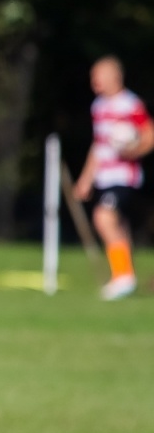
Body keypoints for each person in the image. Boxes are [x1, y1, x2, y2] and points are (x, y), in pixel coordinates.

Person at [74, 56, 153, 301]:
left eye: (99, 75)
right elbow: (98, 146)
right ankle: (125, 277)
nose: (94, 81)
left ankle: (123, 277)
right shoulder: (98, 106)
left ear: (115, 76)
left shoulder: (130, 104)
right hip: (104, 176)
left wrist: (133, 150)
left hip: (123, 175)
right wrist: (86, 178)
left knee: (103, 217)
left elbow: (149, 136)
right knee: (118, 226)